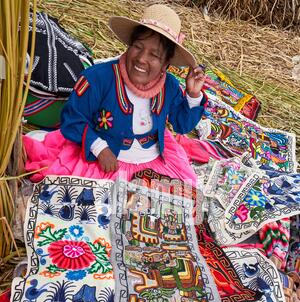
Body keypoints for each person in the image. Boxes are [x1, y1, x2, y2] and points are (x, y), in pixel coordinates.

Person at [23, 4, 207, 184]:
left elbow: (182, 125)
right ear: (129, 44)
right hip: (105, 161)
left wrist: (192, 94)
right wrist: (99, 148)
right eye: (138, 47)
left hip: (154, 164)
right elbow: (72, 119)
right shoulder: (97, 79)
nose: (141, 59)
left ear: (166, 63)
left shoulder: (170, 86)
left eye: (154, 55)